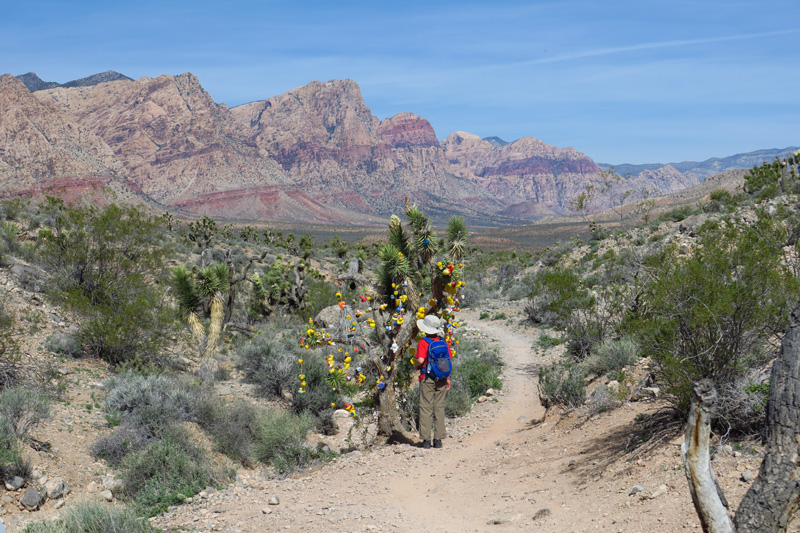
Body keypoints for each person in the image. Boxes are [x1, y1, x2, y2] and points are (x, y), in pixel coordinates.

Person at [415, 314, 452, 449]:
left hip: (427, 378)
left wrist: (415, 365)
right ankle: (438, 440)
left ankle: (425, 440)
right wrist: (448, 379)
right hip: (441, 378)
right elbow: (447, 361)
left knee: (426, 407)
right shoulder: (443, 342)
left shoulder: (423, 342)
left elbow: (420, 360)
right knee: (439, 407)